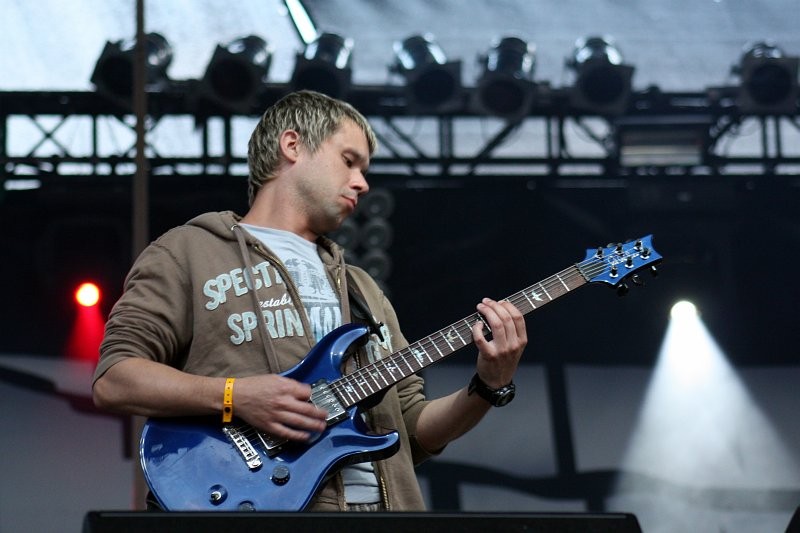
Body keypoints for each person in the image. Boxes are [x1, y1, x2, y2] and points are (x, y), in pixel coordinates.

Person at [92, 90, 527, 512]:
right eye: (348, 160)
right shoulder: (188, 252)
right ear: (292, 145)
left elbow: (413, 430)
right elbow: (116, 379)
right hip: (261, 510)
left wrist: (488, 386)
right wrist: (234, 396)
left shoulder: (363, 289)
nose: (362, 182)